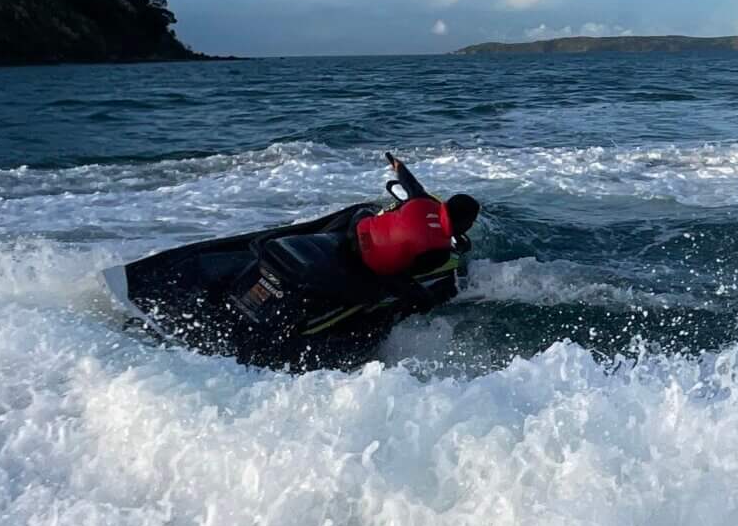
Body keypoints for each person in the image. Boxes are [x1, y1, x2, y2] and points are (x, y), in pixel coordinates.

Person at [107, 156, 481, 369]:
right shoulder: (438, 250)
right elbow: (414, 281)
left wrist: (396, 163)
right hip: (364, 273)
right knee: (383, 305)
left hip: (350, 239)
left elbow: (408, 181)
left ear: (445, 205)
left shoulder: (421, 203)